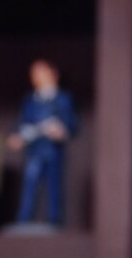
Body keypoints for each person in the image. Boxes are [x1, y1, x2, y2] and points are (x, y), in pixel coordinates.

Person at [6, 58, 78, 229]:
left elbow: (72, 124)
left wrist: (62, 131)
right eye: (34, 74)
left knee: (54, 187)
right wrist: (18, 136)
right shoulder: (30, 100)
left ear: (53, 74)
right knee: (30, 184)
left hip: (53, 151)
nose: (36, 78)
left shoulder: (63, 99)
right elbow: (22, 122)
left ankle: (55, 220)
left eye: (40, 73)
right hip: (35, 150)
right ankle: (24, 219)